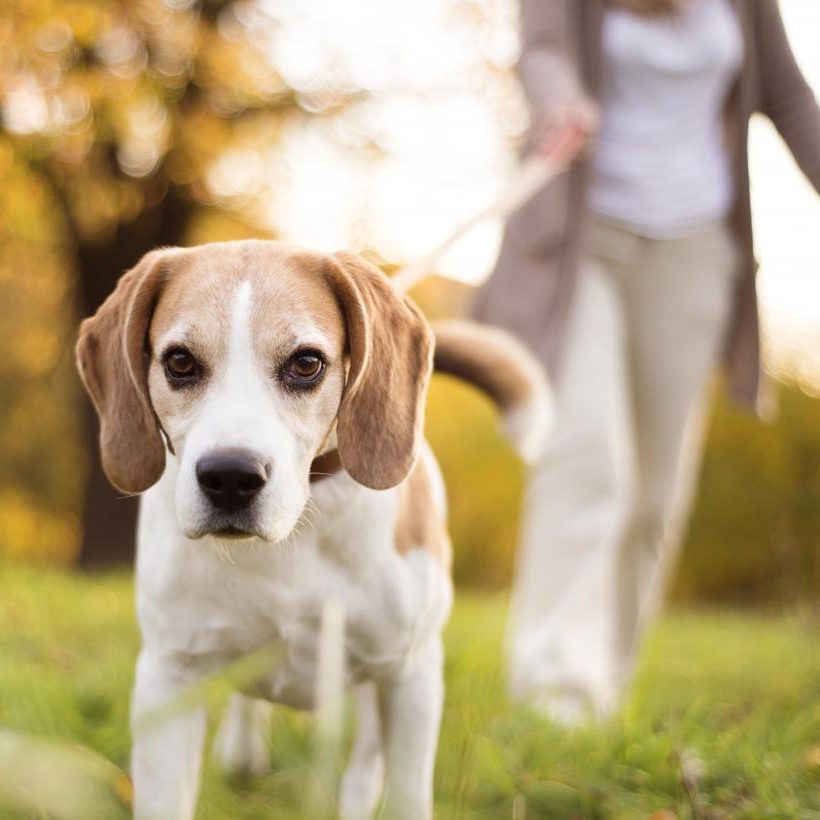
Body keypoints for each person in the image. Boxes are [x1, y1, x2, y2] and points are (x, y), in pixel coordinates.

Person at [473, 0, 820, 722]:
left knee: (655, 494)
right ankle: (550, 694)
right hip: (582, 239)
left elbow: (788, 96)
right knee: (588, 455)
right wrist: (559, 96)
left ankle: (604, 686)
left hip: (695, 251)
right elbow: (541, 48)